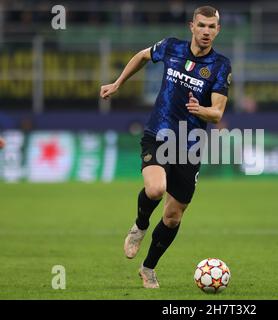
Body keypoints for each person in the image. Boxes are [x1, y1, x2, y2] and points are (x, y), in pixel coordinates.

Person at [99, 6, 231, 289]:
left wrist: (201, 110)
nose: (206, 31)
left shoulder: (220, 65)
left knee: (173, 216)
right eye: (202, 25)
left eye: (212, 27)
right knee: (156, 189)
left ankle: (148, 268)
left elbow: (217, 113)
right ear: (191, 26)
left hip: (190, 145)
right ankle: (140, 225)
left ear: (218, 30)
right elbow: (142, 56)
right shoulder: (171, 47)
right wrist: (118, 83)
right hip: (158, 132)